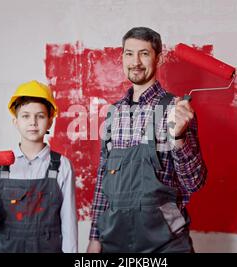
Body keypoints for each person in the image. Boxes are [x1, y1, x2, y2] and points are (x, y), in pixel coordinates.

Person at [87, 27, 208, 253]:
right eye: (129, 53)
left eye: (144, 53)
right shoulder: (113, 114)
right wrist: (95, 237)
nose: (136, 62)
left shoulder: (175, 109)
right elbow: (103, 180)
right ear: (122, 57)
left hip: (166, 242)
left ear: (158, 58)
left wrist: (179, 137)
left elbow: (194, 182)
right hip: (115, 238)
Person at [0, 80, 77, 253]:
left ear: (50, 122)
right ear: (15, 121)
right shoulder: (1, 166)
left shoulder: (62, 166)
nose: (33, 122)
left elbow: (69, 224)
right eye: (25, 116)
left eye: (40, 116)